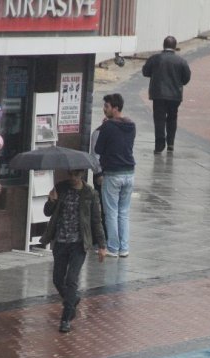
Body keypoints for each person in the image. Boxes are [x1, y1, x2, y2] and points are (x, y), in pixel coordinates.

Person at [40, 169, 107, 333]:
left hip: (79, 243)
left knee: (71, 279)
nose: (71, 178)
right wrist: (51, 201)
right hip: (61, 241)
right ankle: (72, 299)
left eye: (75, 175)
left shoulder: (90, 193)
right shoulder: (60, 188)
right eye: (69, 174)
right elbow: (47, 212)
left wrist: (102, 246)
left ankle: (66, 317)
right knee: (57, 279)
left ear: (82, 175)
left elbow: (96, 220)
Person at [94, 93, 136, 257]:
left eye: (107, 107)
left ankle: (112, 247)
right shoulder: (131, 125)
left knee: (111, 211)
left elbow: (98, 149)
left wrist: (105, 127)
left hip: (113, 174)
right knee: (124, 212)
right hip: (129, 172)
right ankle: (124, 248)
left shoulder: (108, 127)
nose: (104, 109)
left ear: (115, 108)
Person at [141, 35, 192, 154]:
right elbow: (186, 78)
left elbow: (145, 72)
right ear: (175, 46)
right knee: (172, 118)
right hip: (175, 95)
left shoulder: (155, 58)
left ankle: (159, 144)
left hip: (158, 94)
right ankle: (171, 143)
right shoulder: (181, 61)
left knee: (159, 118)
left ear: (163, 45)